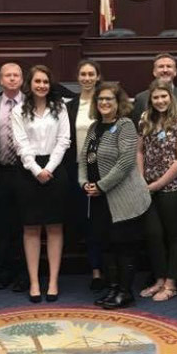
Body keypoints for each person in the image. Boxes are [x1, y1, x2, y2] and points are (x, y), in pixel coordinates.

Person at [79, 82, 151, 309]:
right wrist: (84, 183)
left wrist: (101, 185)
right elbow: (84, 158)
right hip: (100, 200)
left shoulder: (125, 125)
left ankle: (125, 292)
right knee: (107, 246)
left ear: (118, 102)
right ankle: (112, 288)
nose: (104, 103)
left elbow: (125, 162)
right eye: (100, 99)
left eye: (109, 99)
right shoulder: (94, 127)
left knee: (124, 246)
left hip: (124, 199)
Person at [11, 64, 71, 303]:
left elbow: (64, 140)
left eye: (46, 82)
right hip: (28, 172)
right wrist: (36, 169)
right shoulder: (18, 110)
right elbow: (20, 144)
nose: (42, 86)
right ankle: (35, 282)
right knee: (31, 228)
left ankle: (53, 281)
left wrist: (49, 168)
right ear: (30, 84)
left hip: (55, 169)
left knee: (55, 227)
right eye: (37, 81)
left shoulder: (61, 107)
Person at [137, 79, 177, 302]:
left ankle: (171, 283)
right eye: (156, 97)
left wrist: (157, 185)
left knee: (175, 235)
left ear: (171, 98)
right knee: (153, 234)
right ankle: (159, 279)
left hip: (174, 187)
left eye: (164, 96)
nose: (160, 101)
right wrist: (142, 180)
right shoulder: (145, 119)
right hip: (147, 186)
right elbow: (139, 151)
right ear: (150, 100)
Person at [0, 62, 28, 292]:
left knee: (23, 225)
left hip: (25, 172)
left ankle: (23, 273)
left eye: (16, 75)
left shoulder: (31, 105)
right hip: (0, 171)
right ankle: (2, 271)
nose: (12, 79)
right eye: (7, 75)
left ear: (22, 80)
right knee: (0, 225)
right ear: (0, 80)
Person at [66, 58, 104, 290]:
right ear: (78, 78)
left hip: (104, 171)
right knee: (87, 223)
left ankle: (108, 267)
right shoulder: (70, 106)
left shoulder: (106, 101)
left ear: (98, 76)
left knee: (104, 222)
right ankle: (96, 270)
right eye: (83, 74)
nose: (87, 78)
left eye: (91, 74)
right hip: (77, 170)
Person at [131, 53, 177, 125]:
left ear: (175, 72)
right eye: (161, 67)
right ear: (154, 72)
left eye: (169, 66)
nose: (165, 70)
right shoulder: (141, 98)